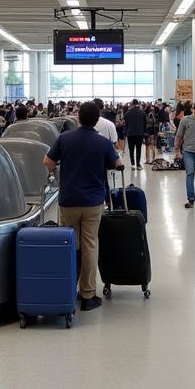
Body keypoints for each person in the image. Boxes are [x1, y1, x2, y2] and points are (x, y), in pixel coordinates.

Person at [43, 101, 122, 312]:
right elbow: (117, 163)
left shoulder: (64, 139)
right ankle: (87, 295)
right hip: (93, 202)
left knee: (70, 244)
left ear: (78, 117)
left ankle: (68, 288)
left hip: (68, 200)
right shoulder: (103, 142)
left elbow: (48, 162)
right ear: (97, 119)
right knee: (90, 245)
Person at [124, 99, 147, 170]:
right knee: (139, 149)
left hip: (130, 134)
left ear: (132, 104)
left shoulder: (127, 113)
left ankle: (132, 164)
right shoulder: (142, 112)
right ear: (138, 104)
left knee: (131, 149)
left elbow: (126, 124)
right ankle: (138, 165)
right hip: (139, 134)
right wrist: (143, 132)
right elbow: (145, 124)